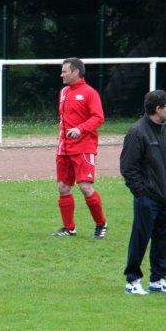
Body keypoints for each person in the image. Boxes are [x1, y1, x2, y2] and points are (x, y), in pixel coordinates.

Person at [120, 90, 166, 295]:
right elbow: (128, 168)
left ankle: (158, 279)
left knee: (165, 237)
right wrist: (141, 193)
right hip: (148, 198)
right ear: (157, 109)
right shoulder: (137, 132)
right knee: (141, 237)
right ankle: (133, 280)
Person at [52, 57, 108, 239]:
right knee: (62, 187)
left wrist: (80, 129)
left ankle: (101, 225)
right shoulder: (63, 92)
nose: (61, 75)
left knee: (85, 187)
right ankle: (69, 228)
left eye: (64, 71)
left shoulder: (90, 93)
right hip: (64, 148)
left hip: (83, 147)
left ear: (76, 72)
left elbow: (98, 117)